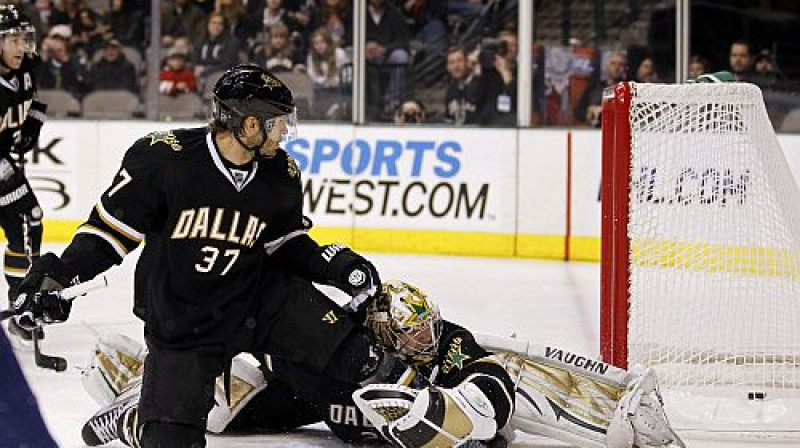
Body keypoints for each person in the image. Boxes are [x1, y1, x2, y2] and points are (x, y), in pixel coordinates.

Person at [13, 63, 415, 448]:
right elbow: (108, 233)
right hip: (185, 320)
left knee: (359, 358)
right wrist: (59, 275)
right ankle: (136, 419)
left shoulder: (280, 173)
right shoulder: (163, 159)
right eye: (277, 123)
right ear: (250, 123)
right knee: (170, 439)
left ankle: (430, 403)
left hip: (262, 300)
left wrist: (335, 263)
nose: (283, 134)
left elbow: (284, 242)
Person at [81, 280, 686, 448]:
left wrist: (450, 412)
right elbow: (272, 345)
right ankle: (138, 403)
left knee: (508, 390)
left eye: (428, 328)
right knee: (210, 417)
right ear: (383, 334)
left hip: (347, 413)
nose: (425, 340)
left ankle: (607, 416)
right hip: (309, 401)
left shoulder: (446, 341)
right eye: (412, 334)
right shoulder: (336, 345)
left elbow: (493, 380)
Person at [0, 5, 49, 343]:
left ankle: (21, 303)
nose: (21, 46)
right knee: (24, 223)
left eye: (23, 38)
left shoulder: (28, 68)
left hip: (5, 162)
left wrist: (33, 125)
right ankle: (20, 305)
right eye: (13, 39)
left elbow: (34, 102)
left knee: (32, 221)